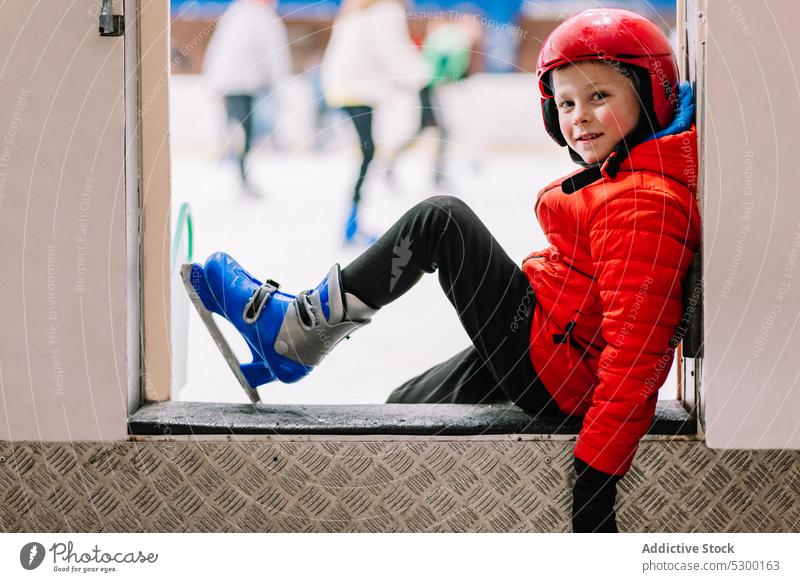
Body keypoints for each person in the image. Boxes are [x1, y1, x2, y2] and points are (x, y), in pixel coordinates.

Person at [183, 9, 700, 532]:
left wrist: (595, 483)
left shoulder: (647, 205)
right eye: (566, 103)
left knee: (442, 221)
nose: (579, 117)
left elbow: (637, 354)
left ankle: (297, 332)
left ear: (651, 94)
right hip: (552, 338)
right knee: (404, 405)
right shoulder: (630, 179)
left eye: (599, 97)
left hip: (558, 369)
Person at [320, 0, 431, 244]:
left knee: (367, 152)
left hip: (344, 88)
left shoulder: (356, 10)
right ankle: (350, 223)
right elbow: (393, 52)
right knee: (367, 152)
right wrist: (426, 74)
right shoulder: (386, 11)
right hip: (358, 89)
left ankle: (352, 222)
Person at [203, 0, 291, 196]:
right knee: (245, 132)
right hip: (245, 83)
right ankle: (242, 175)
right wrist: (280, 87)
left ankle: (238, 167)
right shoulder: (265, 17)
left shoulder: (233, 13)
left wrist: (213, 82)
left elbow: (216, 48)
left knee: (238, 129)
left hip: (227, 82)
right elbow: (275, 56)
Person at [385, 21, 473, 189]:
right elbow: (447, 68)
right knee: (438, 132)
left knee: (429, 131)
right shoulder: (453, 41)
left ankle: (396, 166)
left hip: (428, 88)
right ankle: (434, 173)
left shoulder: (443, 40)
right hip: (430, 89)